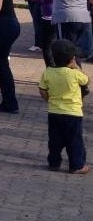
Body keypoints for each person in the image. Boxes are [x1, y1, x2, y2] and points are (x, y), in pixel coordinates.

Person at [38, 39, 90, 174]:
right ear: (72, 58)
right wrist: (76, 67)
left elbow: (42, 89)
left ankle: (54, 163)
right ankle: (77, 165)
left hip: (54, 112)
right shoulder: (74, 73)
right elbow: (87, 80)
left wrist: (48, 99)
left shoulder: (48, 71)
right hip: (73, 113)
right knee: (74, 141)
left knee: (55, 140)